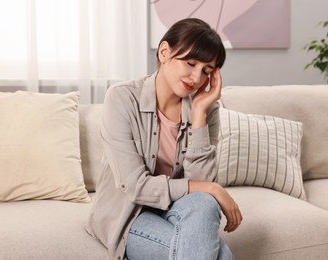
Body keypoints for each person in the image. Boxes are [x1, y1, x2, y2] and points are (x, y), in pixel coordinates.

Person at [87, 18, 243, 260]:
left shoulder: (207, 110)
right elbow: (135, 186)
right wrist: (211, 188)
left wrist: (199, 114)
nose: (196, 77)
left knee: (205, 203)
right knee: (221, 254)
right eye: (190, 63)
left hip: (174, 208)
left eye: (206, 71)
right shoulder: (122, 99)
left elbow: (200, 192)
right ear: (164, 52)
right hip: (128, 214)